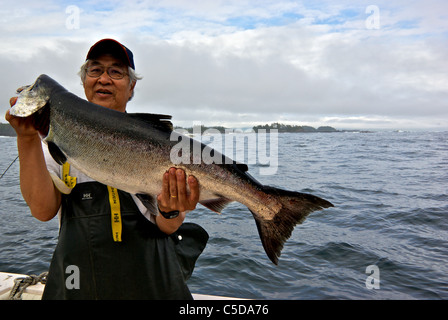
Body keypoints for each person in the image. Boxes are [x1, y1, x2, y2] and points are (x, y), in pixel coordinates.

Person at [5, 39, 208, 299]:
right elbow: (43, 211)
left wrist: (170, 211)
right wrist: (26, 139)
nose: (104, 79)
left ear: (131, 86)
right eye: (95, 70)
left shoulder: (164, 147)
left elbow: (167, 227)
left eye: (116, 71)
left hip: (150, 284)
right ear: (84, 81)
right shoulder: (55, 146)